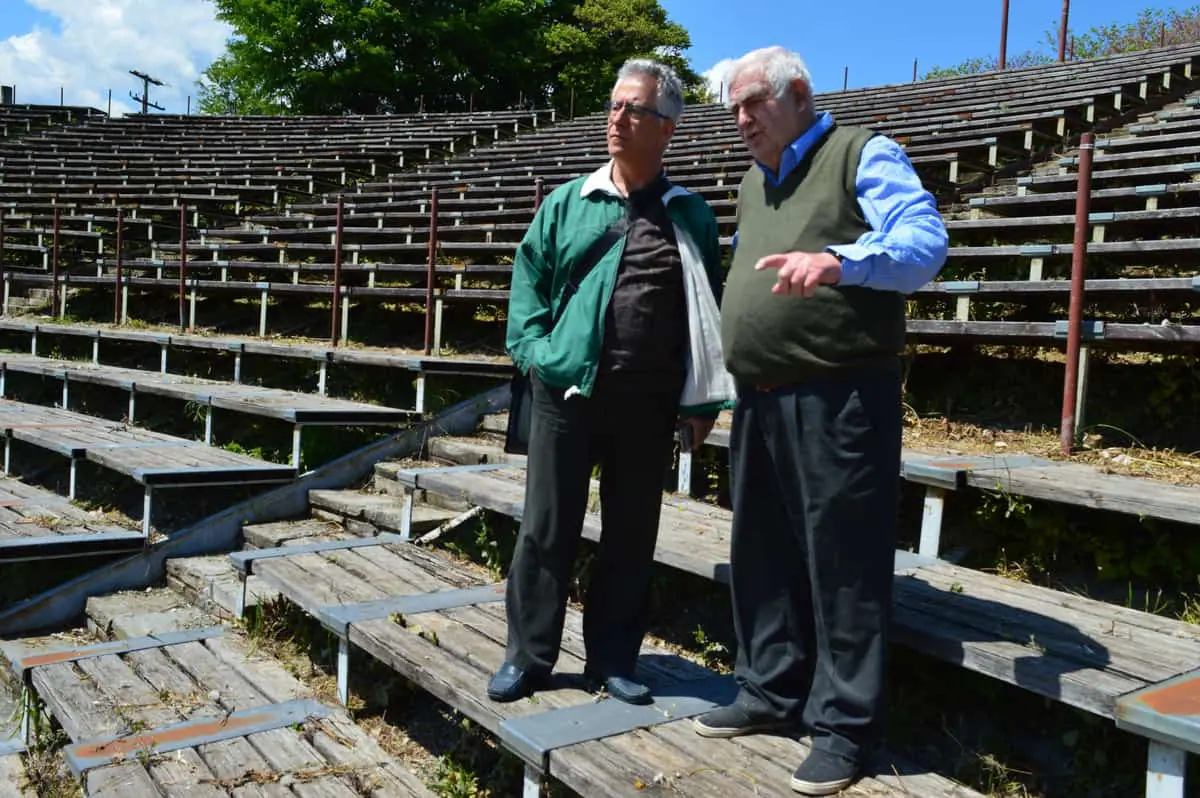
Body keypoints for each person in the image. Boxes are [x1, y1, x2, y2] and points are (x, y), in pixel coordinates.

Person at [692, 46, 949, 795]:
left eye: (754, 104)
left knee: (844, 560)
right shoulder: (754, 181)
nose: (742, 121)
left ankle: (845, 728)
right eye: (735, 110)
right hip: (760, 396)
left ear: (799, 93)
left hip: (840, 394)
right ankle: (769, 691)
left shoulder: (861, 154)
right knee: (762, 549)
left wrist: (841, 261)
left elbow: (924, 245)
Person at [489, 58, 732, 706]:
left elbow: (706, 311)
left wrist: (705, 400)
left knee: (631, 534)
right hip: (565, 392)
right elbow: (529, 280)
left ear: (667, 127)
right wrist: (536, 354)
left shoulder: (690, 215)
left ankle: (613, 659)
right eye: (614, 106)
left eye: (635, 110)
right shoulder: (568, 203)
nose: (618, 119)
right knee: (546, 528)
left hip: (648, 401)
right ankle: (528, 656)